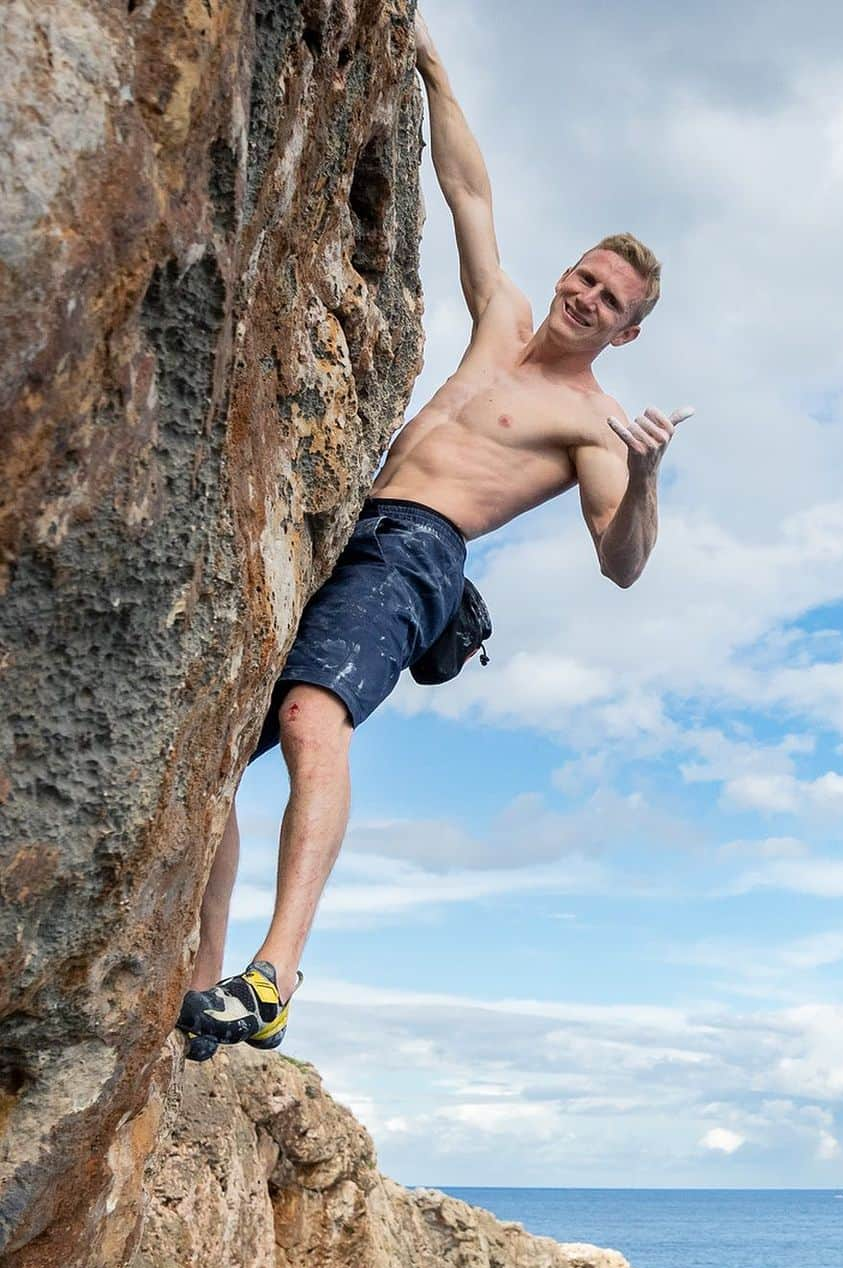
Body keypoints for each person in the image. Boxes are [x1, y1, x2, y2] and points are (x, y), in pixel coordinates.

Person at [176, 12, 693, 1059]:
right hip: (337, 526)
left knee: (317, 719)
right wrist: (430, 65)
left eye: (610, 302)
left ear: (628, 332)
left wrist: (642, 480)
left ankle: (273, 977)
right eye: (585, 278)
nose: (585, 298)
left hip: (415, 553)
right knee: (208, 766)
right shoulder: (501, 316)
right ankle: (197, 991)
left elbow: (624, 566)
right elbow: (469, 190)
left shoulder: (592, 423)